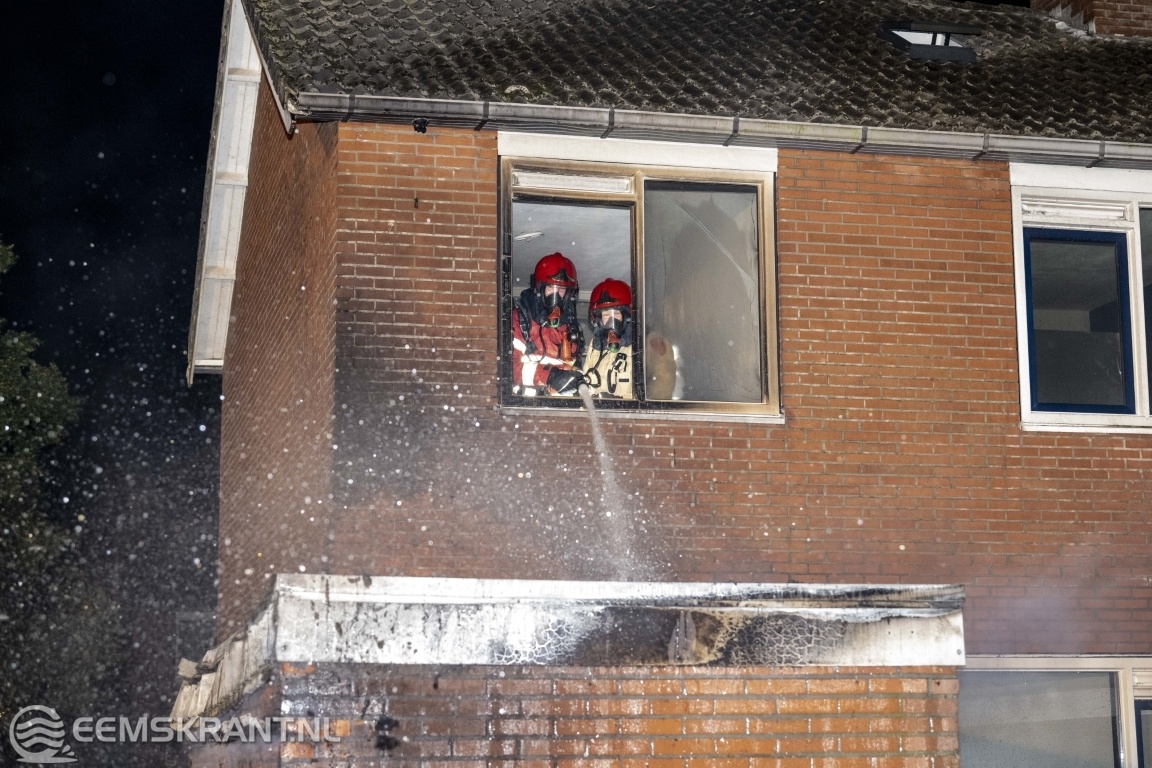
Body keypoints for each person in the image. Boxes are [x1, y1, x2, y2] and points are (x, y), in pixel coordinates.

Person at [511, 252, 586, 396]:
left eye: (561, 290)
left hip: (561, 405)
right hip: (527, 404)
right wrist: (549, 376)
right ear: (539, 289)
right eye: (550, 288)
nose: (555, 296)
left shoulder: (571, 326)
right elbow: (509, 368)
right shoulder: (521, 319)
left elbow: (574, 366)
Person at [582, 278, 634, 399]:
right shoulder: (595, 346)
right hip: (597, 410)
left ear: (627, 316)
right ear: (598, 320)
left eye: (616, 314)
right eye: (606, 315)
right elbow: (586, 384)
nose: (611, 320)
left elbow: (660, 388)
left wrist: (622, 405)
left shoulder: (641, 345)